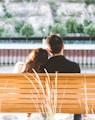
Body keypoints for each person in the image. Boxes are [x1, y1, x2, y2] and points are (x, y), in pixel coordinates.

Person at [43, 34, 82, 120]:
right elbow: (77, 90)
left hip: (50, 106)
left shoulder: (43, 67)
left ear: (48, 50)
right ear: (63, 47)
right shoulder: (74, 67)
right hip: (71, 105)